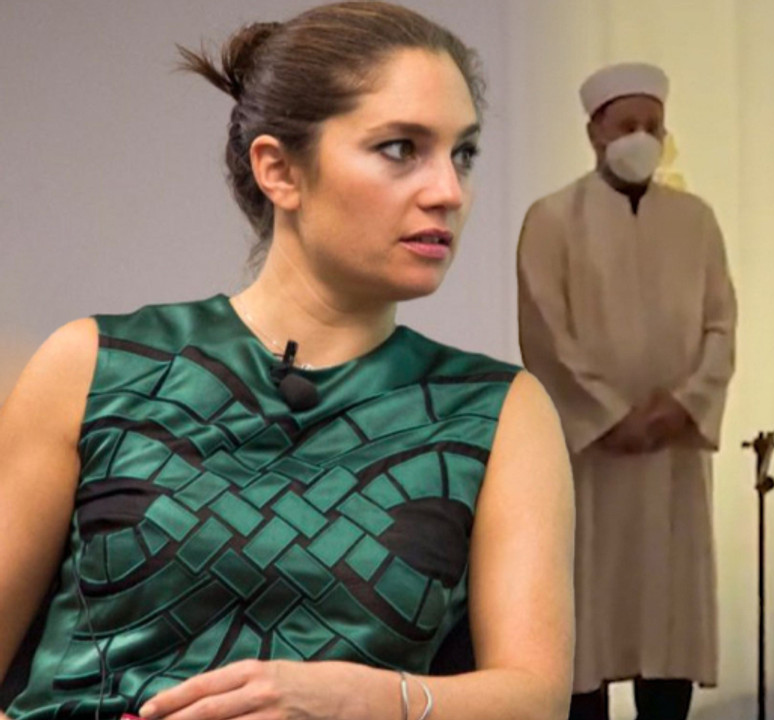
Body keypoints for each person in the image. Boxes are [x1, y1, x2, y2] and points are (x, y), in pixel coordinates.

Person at [0, 4, 574, 720]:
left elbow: (535, 699)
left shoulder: (500, 412)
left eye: (463, 154)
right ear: (279, 170)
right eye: (401, 148)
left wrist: (365, 699)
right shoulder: (90, 366)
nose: (448, 192)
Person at [516, 62, 736, 720]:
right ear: (595, 132)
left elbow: (721, 324)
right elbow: (546, 333)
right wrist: (611, 417)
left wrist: (684, 405)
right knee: (588, 622)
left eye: (653, 126)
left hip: (672, 453)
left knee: (668, 625)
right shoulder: (552, 219)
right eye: (627, 125)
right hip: (593, 457)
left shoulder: (696, 220)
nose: (641, 137)